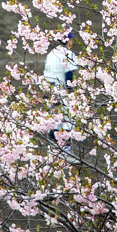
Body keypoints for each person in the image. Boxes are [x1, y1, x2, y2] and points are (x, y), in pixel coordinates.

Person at [43, 32, 78, 160]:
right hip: (62, 89)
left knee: (53, 120)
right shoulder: (68, 53)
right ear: (67, 40)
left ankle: (53, 150)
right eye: (72, 40)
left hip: (49, 90)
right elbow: (69, 74)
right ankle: (66, 150)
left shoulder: (51, 53)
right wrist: (70, 91)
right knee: (67, 120)